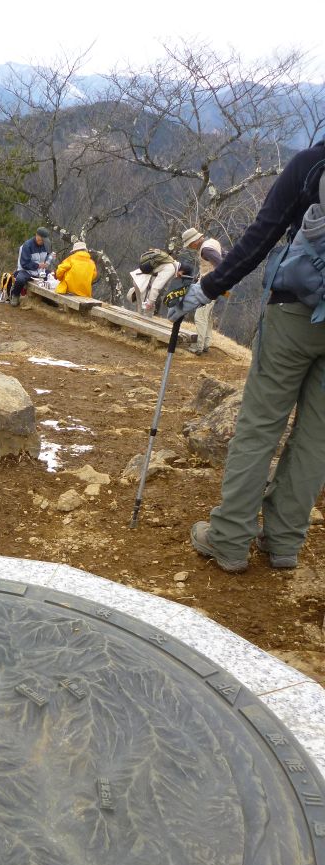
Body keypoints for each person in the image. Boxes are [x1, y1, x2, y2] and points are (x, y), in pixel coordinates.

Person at [169, 140, 325, 573]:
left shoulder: (311, 165)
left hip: (293, 314)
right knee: (317, 439)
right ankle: (284, 543)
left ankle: (231, 539)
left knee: (260, 426)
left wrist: (205, 290)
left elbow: (261, 237)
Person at [181, 227, 224, 354]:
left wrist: (212, 278)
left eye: (189, 245)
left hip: (208, 286)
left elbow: (221, 265)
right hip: (214, 285)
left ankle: (198, 346)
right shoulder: (213, 243)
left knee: (200, 315)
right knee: (207, 316)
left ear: (194, 241)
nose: (190, 247)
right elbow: (227, 256)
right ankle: (205, 343)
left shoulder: (206, 249)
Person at [10, 227, 51, 306]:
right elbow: (24, 263)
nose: (42, 242)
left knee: (52, 276)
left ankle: (47, 298)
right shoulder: (27, 245)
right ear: (37, 236)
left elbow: (47, 256)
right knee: (20, 279)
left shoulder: (46, 245)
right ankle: (15, 295)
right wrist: (38, 265)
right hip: (26, 270)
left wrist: (50, 258)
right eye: (41, 239)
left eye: (44, 240)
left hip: (40, 271)